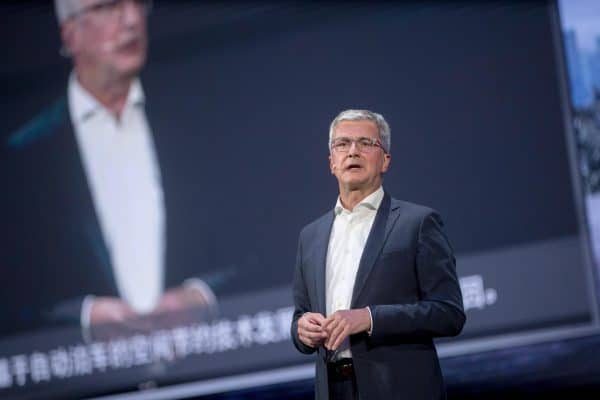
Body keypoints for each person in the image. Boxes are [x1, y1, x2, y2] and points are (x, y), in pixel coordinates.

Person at [0, 0, 216, 339]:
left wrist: (202, 296)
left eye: (138, 5)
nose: (131, 20)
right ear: (70, 34)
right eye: (108, 7)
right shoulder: (22, 157)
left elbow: (257, 244)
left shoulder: (198, 123)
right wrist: (84, 316)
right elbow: (13, 292)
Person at [291, 109, 466, 400]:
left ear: (385, 160)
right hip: (333, 390)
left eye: (366, 143)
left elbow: (449, 313)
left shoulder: (418, 223)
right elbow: (300, 315)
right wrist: (302, 331)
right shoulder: (310, 236)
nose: (353, 151)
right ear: (331, 162)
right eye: (342, 144)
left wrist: (370, 318)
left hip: (400, 389)